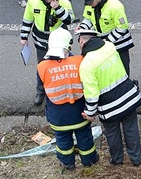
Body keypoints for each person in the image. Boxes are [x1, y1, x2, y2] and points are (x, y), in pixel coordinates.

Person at [77, 27, 141, 166]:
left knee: (112, 133)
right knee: (131, 129)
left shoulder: (86, 64)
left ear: (82, 41)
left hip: (109, 106)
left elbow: (92, 93)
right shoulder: (109, 46)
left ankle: (117, 160)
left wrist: (89, 113)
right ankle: (136, 159)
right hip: (129, 96)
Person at [37, 28, 99, 171]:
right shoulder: (79, 61)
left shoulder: (42, 67)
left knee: (63, 141)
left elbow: (41, 87)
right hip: (79, 114)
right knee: (85, 138)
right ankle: (89, 161)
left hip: (58, 117)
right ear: (68, 46)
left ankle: (67, 164)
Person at [21, 0, 75, 105]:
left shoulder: (64, 2)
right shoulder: (33, 2)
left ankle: (64, 88)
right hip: (41, 39)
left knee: (63, 64)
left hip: (59, 40)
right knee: (42, 66)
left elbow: (69, 20)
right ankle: (40, 91)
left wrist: (58, 8)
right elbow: (27, 20)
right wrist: (24, 36)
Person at [78, 0, 134, 76]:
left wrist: (106, 42)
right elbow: (88, 19)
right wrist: (82, 28)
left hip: (119, 43)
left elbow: (122, 27)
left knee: (123, 69)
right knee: (106, 69)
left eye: (91, 2)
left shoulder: (115, 6)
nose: (90, 5)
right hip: (103, 42)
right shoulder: (90, 4)